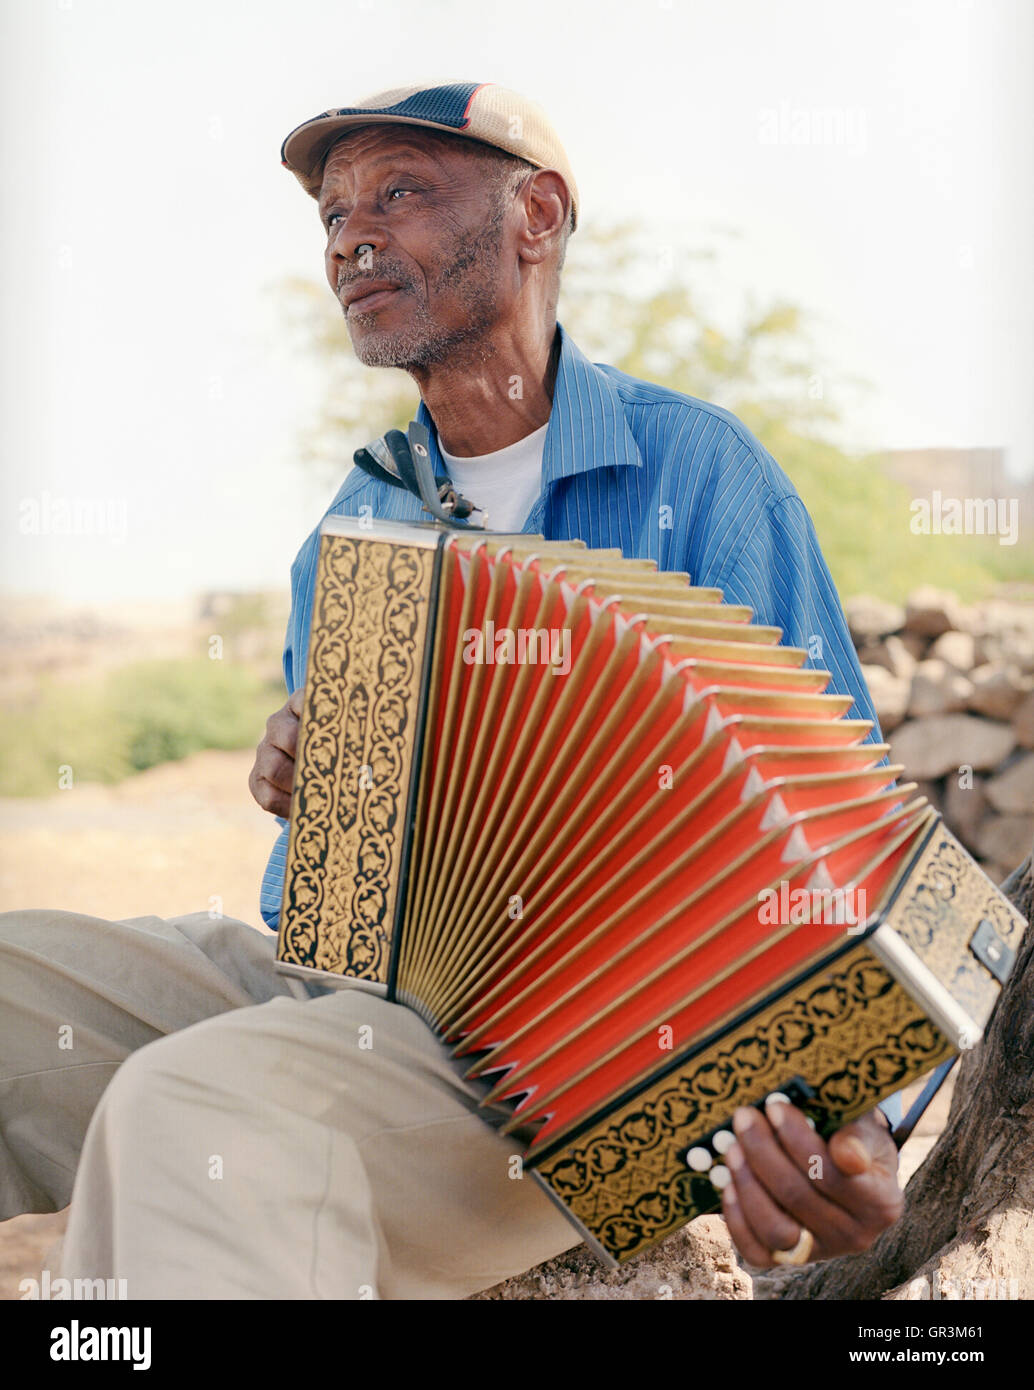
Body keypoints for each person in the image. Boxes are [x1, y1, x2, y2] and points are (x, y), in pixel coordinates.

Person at [0, 81, 904, 1299]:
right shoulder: (356, 521)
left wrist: (861, 1119)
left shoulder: (699, 469)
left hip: (573, 1063)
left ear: (535, 214)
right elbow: (333, 906)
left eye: (400, 194)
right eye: (330, 216)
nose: (348, 240)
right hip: (352, 991)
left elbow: (843, 825)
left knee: (190, 1106)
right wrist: (307, 798)